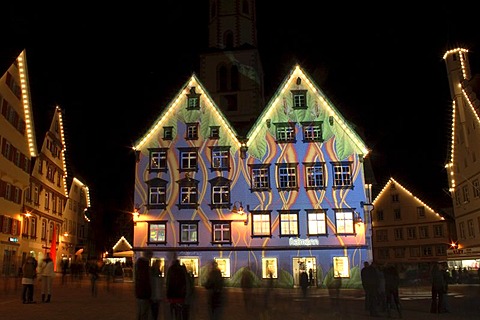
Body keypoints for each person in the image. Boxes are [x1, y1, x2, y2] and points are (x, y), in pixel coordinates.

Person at [135, 250, 153, 320]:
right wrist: (149, 293)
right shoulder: (145, 266)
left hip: (139, 292)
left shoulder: (139, 265)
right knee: (144, 312)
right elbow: (146, 281)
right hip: (144, 293)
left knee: (140, 311)